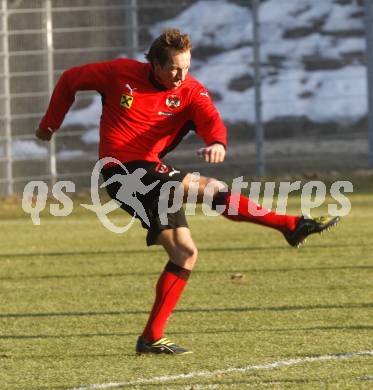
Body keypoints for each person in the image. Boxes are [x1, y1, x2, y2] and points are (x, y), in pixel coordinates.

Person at [36, 28, 340, 355]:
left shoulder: (191, 91)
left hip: (151, 172)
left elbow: (209, 118)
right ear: (153, 64)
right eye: (173, 68)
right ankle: (289, 225)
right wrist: (50, 123)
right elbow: (70, 79)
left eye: (186, 67)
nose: (181, 75)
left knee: (185, 252)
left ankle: (151, 338)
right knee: (205, 190)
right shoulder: (119, 73)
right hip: (119, 171)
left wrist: (217, 141)